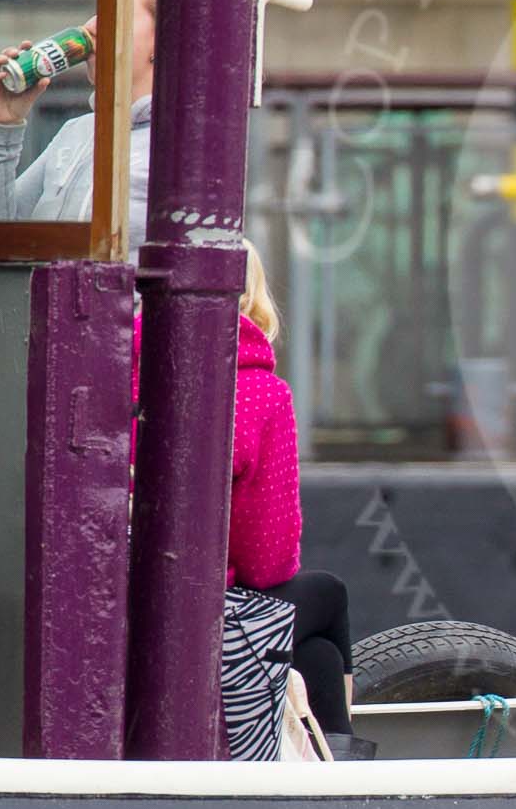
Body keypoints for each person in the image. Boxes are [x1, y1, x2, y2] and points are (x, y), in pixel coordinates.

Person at [135, 239, 362, 755]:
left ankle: (337, 765)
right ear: (250, 296)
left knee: (319, 656)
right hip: (200, 615)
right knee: (329, 595)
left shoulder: (126, 367)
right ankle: (347, 773)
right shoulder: (261, 394)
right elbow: (266, 560)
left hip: (124, 602)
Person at [0, 0, 158, 251]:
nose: (91, 25)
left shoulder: (176, 150)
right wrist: (4, 124)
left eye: (117, 13)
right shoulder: (77, 132)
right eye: (98, 12)